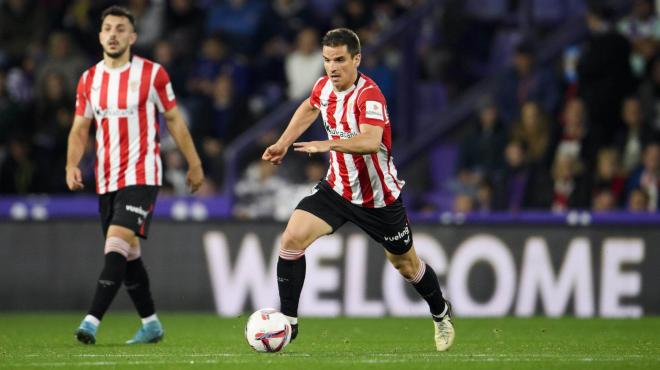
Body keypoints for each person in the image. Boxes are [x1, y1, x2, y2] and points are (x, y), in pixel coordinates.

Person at [262, 28, 454, 351]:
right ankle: (289, 323)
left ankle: (440, 312)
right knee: (292, 238)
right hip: (337, 189)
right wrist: (283, 142)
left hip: (379, 199)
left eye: (339, 60)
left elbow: (370, 141)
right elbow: (310, 107)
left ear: (356, 59)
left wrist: (326, 144)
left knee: (406, 265)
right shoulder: (324, 87)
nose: (332, 67)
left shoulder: (370, 95)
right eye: (326, 60)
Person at [65, 5, 204, 345]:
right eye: (107, 28)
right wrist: (71, 163)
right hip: (107, 178)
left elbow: (174, 120)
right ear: (100, 36)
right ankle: (151, 324)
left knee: (114, 247)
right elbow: (80, 128)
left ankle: (91, 322)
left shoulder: (153, 74)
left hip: (143, 175)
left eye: (120, 28)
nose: (113, 34)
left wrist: (194, 162)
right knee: (128, 257)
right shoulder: (89, 79)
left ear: (132, 36)